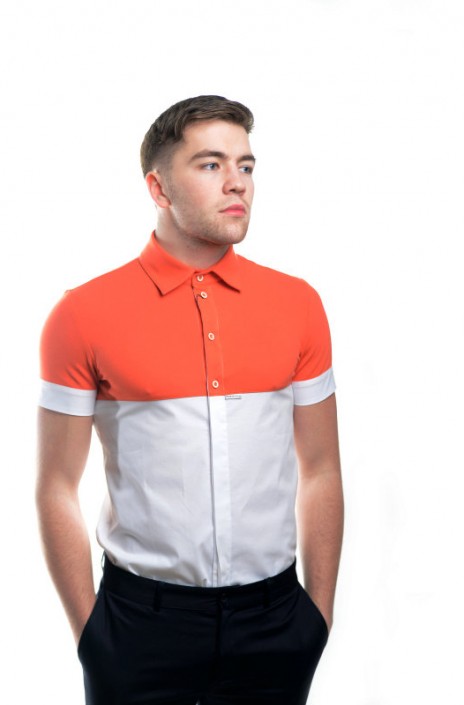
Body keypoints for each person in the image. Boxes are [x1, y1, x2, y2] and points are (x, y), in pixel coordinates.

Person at [36, 95, 344, 705]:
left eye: (246, 165)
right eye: (210, 165)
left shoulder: (298, 304)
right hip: (138, 626)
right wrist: (91, 635)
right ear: (158, 187)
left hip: (276, 621)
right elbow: (55, 486)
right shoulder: (82, 314)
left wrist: (319, 615)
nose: (237, 182)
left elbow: (322, 468)